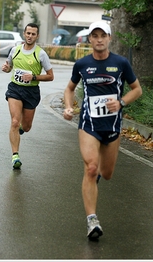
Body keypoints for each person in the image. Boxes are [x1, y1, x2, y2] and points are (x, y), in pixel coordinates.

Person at [63, 21, 142, 240]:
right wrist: (69, 106)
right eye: (94, 36)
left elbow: (137, 90)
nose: (99, 39)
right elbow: (69, 89)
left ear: (109, 38)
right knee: (90, 167)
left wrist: (122, 102)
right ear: (89, 39)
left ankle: (95, 179)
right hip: (89, 124)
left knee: (105, 174)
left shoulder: (121, 63)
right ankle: (92, 221)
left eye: (103, 35)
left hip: (113, 126)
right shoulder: (81, 64)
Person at [1, 23, 54, 169]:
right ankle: (15, 156)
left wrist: (34, 77)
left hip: (31, 92)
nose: (30, 36)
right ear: (24, 34)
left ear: (37, 36)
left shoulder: (41, 54)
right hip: (15, 89)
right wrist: (6, 69)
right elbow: (9, 67)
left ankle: (19, 130)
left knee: (26, 126)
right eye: (28, 33)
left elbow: (51, 76)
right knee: (14, 121)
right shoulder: (15, 50)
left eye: (33, 34)